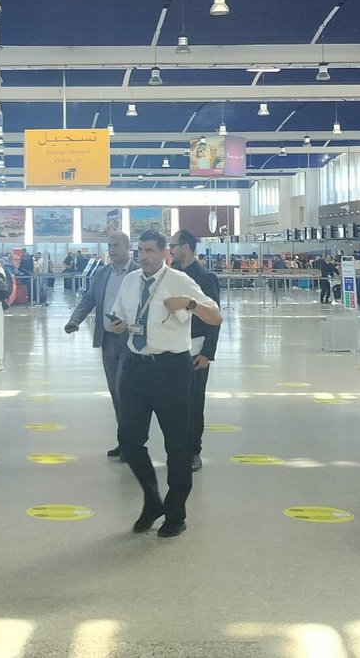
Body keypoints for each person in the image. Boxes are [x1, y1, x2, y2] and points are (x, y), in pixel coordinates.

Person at [106, 230, 222, 538]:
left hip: (171, 369)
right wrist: (117, 326)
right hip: (135, 367)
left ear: (164, 254)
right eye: (140, 250)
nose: (143, 256)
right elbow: (118, 318)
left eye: (150, 251)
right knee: (129, 439)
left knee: (177, 444)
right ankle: (152, 499)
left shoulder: (180, 281)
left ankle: (176, 511)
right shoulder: (130, 281)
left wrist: (190, 304)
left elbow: (216, 316)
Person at [65, 232, 138, 459]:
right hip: (108, 341)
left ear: (127, 246)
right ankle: (124, 441)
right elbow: (89, 299)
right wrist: (75, 320)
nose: (112, 249)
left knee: (125, 391)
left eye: (116, 245)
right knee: (115, 393)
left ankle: (132, 444)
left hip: (131, 342)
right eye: (110, 246)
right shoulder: (102, 273)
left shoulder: (138, 273)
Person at [170, 230, 221, 474]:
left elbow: (214, 318)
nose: (171, 250)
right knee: (174, 403)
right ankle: (177, 450)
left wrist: (207, 354)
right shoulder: (172, 275)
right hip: (173, 347)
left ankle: (193, 451)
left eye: (174, 245)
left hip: (197, 348)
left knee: (194, 401)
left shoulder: (205, 277)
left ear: (187, 247)